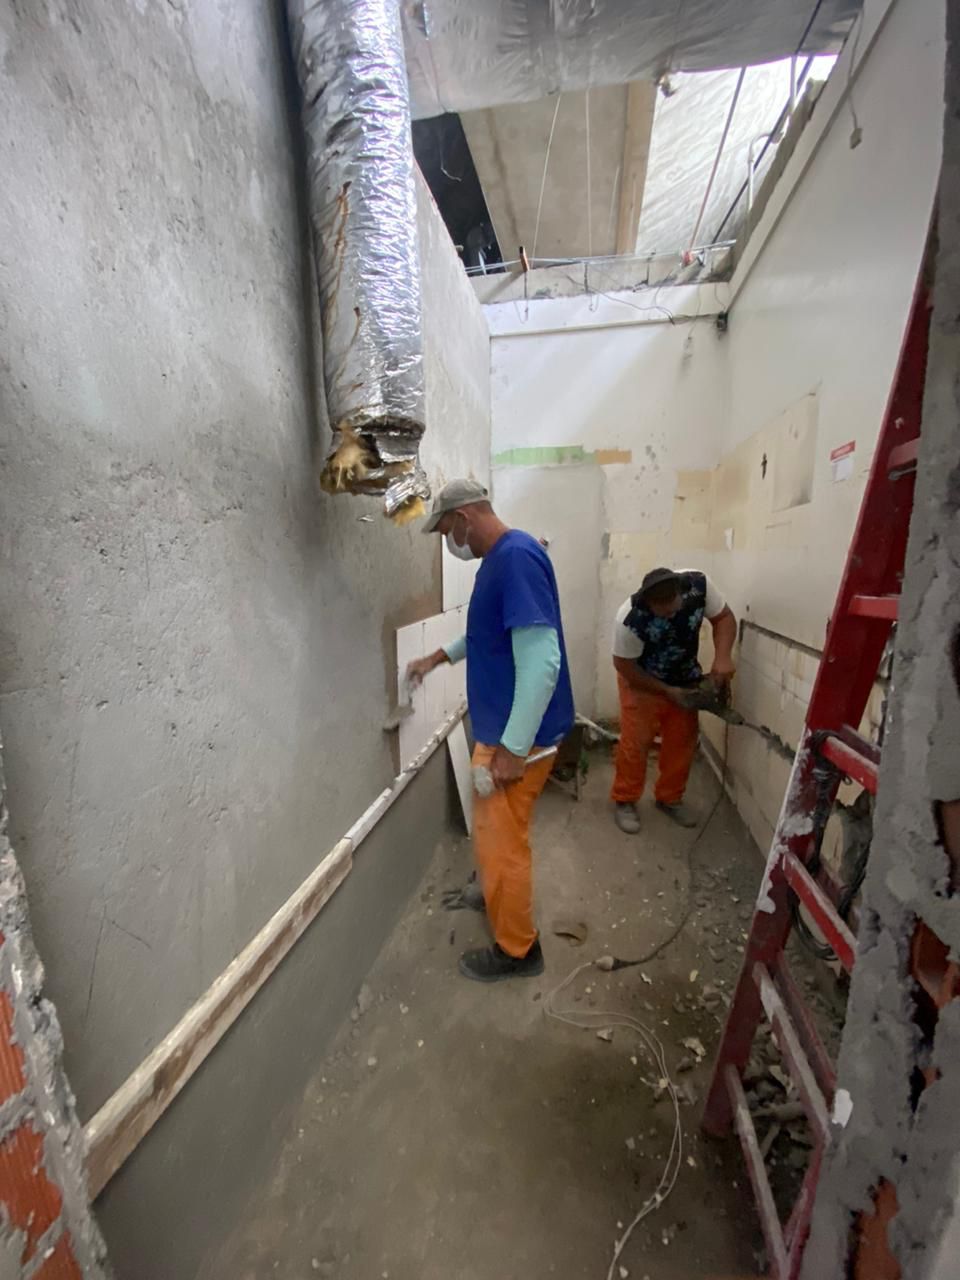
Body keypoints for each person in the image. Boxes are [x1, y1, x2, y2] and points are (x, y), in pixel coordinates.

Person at [407, 480, 574, 983]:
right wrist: (438, 657)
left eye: (446, 531)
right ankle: (491, 889)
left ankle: (518, 950)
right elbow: (485, 634)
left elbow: (542, 663)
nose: (449, 543)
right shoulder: (501, 560)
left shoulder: (515, 559)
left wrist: (513, 750)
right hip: (504, 731)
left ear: (465, 517)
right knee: (492, 831)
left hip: (516, 739)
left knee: (503, 844)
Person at [610, 567, 736, 833]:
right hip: (641, 679)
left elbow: (724, 618)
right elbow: (624, 665)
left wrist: (723, 657)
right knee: (636, 741)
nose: (669, 615)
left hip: (684, 676)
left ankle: (670, 798)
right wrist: (667, 691)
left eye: (673, 609)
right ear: (648, 602)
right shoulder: (630, 618)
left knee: (682, 740)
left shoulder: (700, 587)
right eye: (662, 612)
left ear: (681, 593)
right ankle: (625, 799)